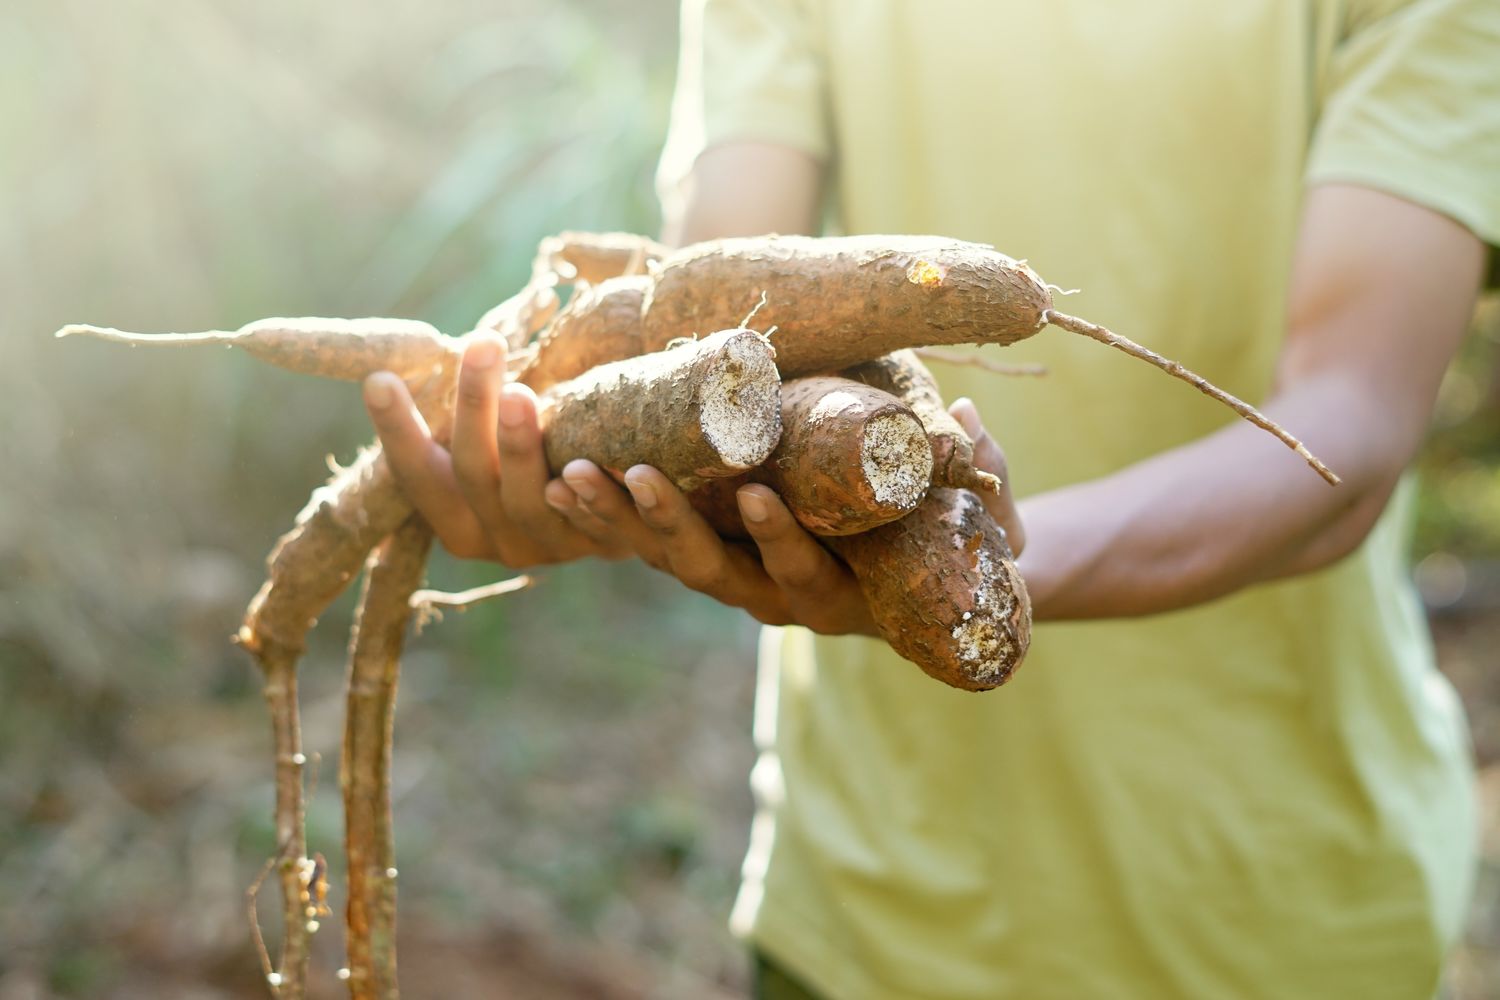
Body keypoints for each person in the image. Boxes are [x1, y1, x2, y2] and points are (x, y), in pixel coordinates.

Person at [360, 1, 1499, 996]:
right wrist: (604, 468)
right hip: (868, 913)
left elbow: (1342, 431)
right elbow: (717, 322)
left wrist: (968, 566)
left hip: (1284, 925)